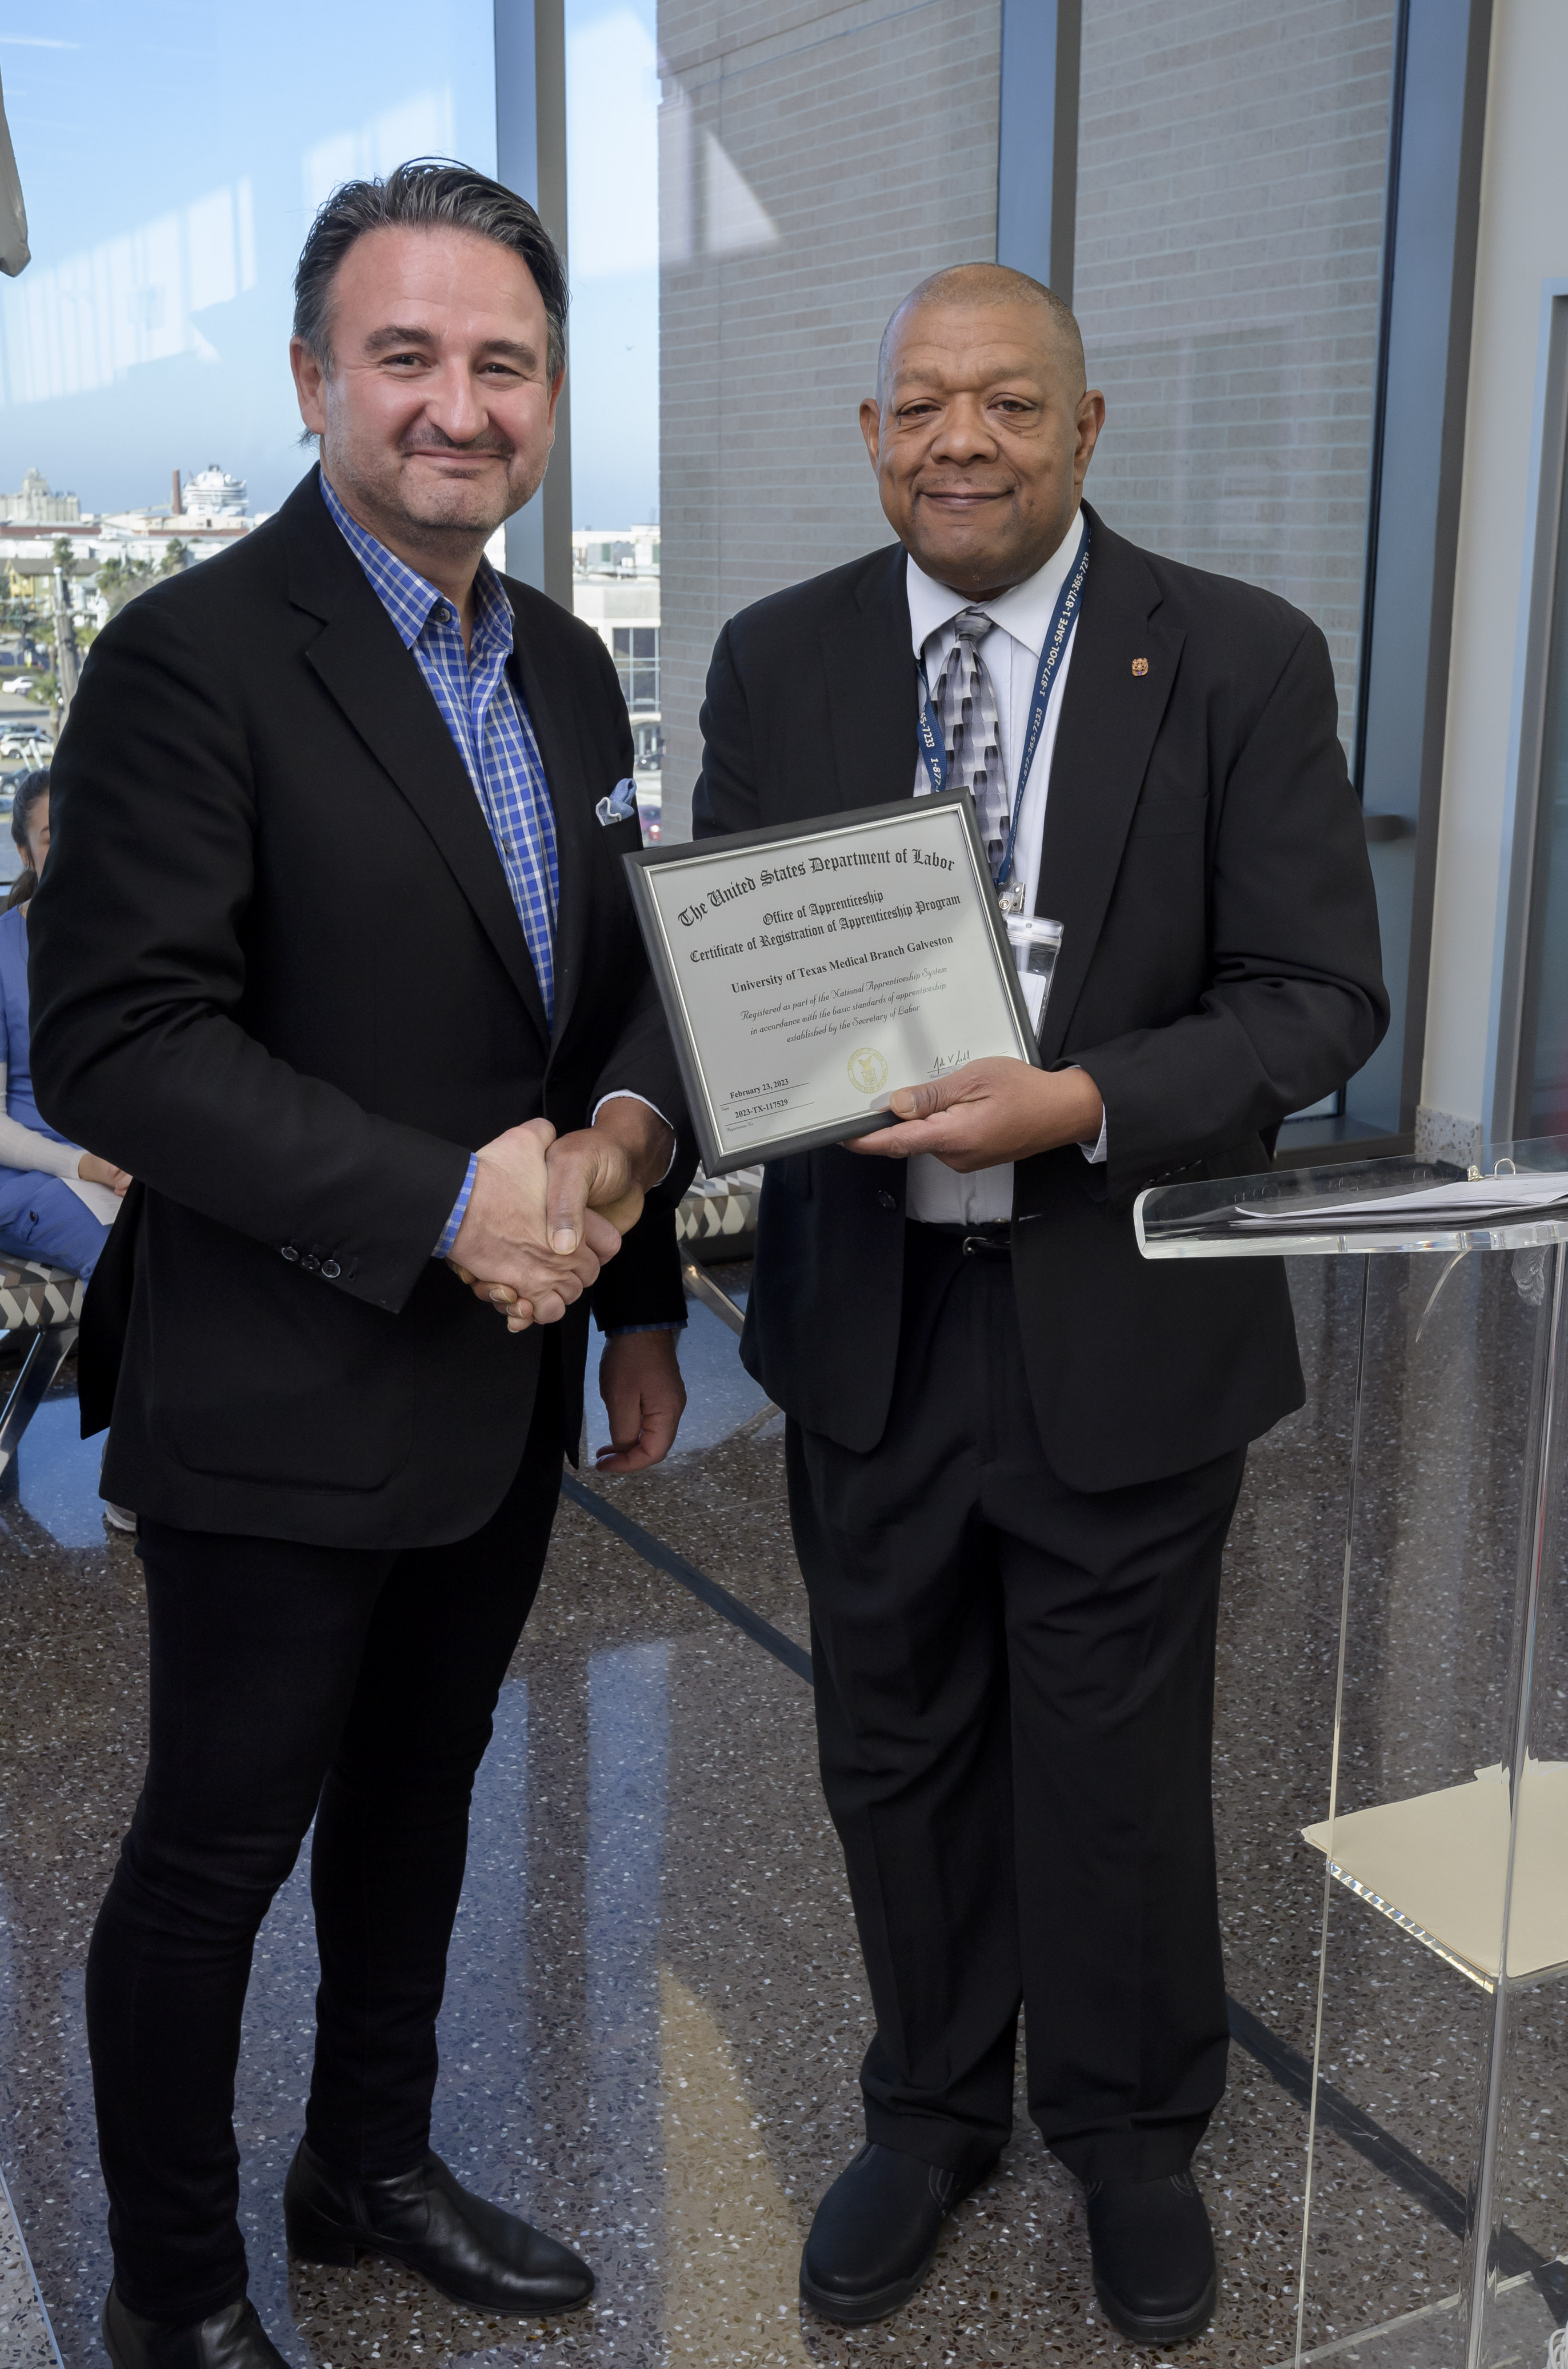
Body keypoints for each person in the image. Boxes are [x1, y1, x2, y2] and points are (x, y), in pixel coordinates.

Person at [29, 162, 691, 2369]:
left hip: (494, 1390)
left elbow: (613, 988)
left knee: (425, 1789)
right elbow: (127, 1031)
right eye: (403, 355)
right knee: (214, 1853)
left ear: (550, 397)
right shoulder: (187, 658)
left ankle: (367, 2159)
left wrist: (618, 1186)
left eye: (500, 361)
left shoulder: (574, 668)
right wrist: (444, 1198)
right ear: (317, 377)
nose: (454, 402)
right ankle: (175, 2286)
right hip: (281, 1386)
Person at [692, 264, 1389, 2346]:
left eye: (1005, 402)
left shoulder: (1237, 656)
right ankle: (926, 2107)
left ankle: (1129, 2124)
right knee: (888, 1739)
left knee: (1110, 1750)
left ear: (1085, 432)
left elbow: (1318, 995)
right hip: (865, 1316)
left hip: (1116, 1303)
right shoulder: (780, 654)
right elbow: (730, 952)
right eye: (917, 404)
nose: (957, 439)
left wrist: (1081, 1092)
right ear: (870, 434)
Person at [0, 767, 130, 1284]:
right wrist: (84, 1165)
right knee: (137, 1266)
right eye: (51, 835)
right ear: (25, 855)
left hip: (126, 1164)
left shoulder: (134, 946)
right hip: (23, 1175)